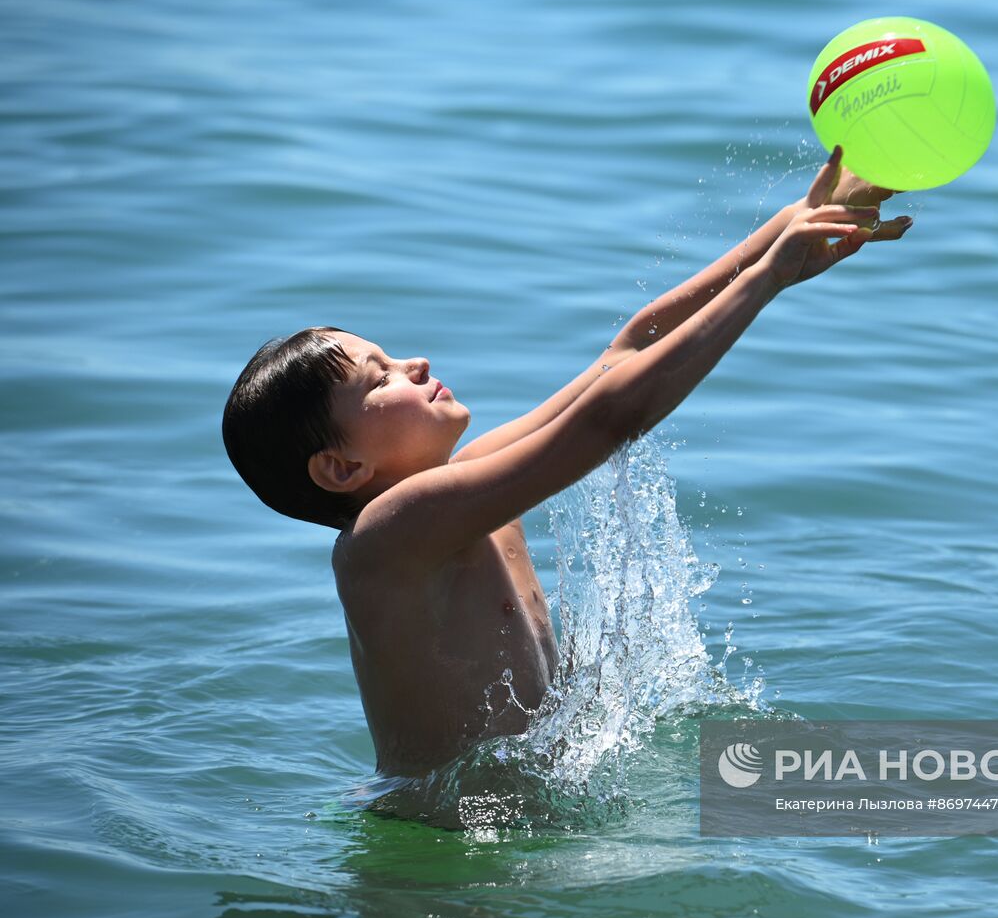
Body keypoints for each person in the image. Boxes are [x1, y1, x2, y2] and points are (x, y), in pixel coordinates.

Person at [222, 147, 912, 776]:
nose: (415, 362)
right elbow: (609, 417)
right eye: (382, 378)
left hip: (517, 820)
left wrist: (799, 225)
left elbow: (628, 350)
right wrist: (765, 278)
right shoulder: (387, 536)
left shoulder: (460, 488)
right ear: (339, 468)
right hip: (448, 851)